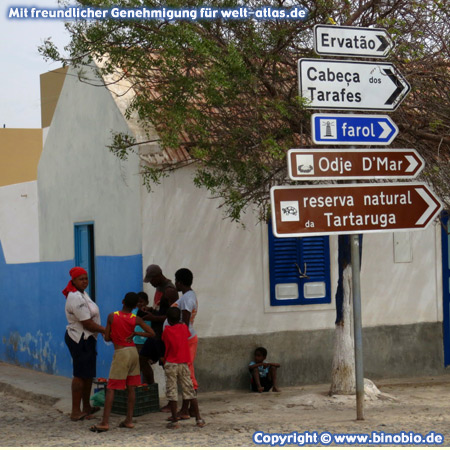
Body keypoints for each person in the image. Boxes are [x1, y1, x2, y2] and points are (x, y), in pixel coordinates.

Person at [90, 292, 155, 432]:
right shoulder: (135, 319)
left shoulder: (112, 316)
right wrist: (137, 334)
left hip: (121, 353)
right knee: (131, 387)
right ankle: (129, 420)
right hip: (133, 353)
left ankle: (104, 422)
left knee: (111, 388)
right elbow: (152, 333)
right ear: (135, 305)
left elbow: (107, 338)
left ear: (123, 301)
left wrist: (112, 335)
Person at [63, 266, 106, 421]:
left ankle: (86, 407)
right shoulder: (74, 297)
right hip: (79, 338)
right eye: (81, 279)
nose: (85, 281)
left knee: (88, 375)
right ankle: (75, 411)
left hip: (88, 338)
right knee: (80, 375)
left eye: (86, 278)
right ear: (73, 280)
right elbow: (87, 323)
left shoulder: (82, 294)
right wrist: (105, 330)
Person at [162, 307, 205, 429]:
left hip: (171, 363)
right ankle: (199, 419)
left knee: (172, 392)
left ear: (168, 320)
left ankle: (175, 421)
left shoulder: (166, 330)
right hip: (184, 363)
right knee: (189, 391)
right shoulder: (184, 328)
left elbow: (166, 343)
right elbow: (186, 336)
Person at [139, 264, 178, 387]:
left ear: (158, 276)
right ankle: (151, 389)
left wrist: (153, 317)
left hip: (164, 335)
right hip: (155, 333)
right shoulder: (159, 287)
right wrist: (150, 310)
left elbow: (173, 316)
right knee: (142, 358)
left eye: (151, 280)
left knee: (167, 367)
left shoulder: (170, 290)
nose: (150, 283)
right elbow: (161, 309)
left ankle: (171, 400)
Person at [172, 268, 199, 417]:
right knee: (187, 373)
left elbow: (185, 322)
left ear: (180, 282)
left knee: (187, 374)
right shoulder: (188, 296)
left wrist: (179, 341)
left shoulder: (188, 298)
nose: (175, 283)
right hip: (186, 339)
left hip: (186, 340)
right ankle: (189, 409)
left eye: (176, 280)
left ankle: (187, 409)